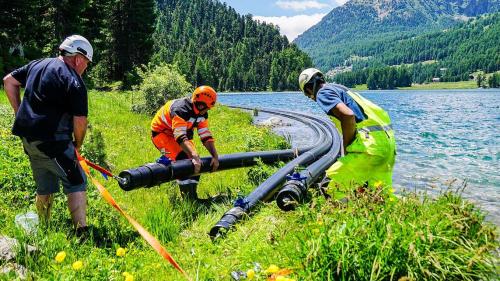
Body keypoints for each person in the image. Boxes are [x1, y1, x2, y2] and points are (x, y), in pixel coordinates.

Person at [3, 35, 93, 235]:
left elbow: (9, 81)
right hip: (53, 142)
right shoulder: (74, 81)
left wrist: (19, 114)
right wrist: (77, 145)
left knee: (45, 185)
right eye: (87, 63)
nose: (85, 68)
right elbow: (80, 122)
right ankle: (82, 233)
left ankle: (44, 228)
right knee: (76, 181)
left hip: (28, 139)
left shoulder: (38, 64)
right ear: (79, 58)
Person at [298, 68, 396, 197]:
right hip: (387, 145)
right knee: (379, 194)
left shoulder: (322, 93)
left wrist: (347, 149)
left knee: (330, 185)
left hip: (369, 147)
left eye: (308, 95)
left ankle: (340, 215)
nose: (311, 98)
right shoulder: (341, 89)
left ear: (309, 89)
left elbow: (348, 116)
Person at [151, 85, 220, 201]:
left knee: (197, 163)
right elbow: (179, 135)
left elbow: (205, 135)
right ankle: (188, 201)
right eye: (207, 107)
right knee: (183, 160)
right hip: (161, 135)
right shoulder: (181, 109)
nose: (208, 110)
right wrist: (194, 155)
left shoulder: (202, 113)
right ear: (201, 104)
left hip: (182, 135)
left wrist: (215, 156)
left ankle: (192, 197)